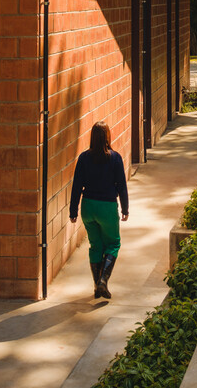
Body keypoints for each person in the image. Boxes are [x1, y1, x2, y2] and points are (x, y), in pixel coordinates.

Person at [69, 121, 129, 299]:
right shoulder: (115, 158)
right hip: (107, 207)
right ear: (107, 137)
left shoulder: (83, 158)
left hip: (89, 206)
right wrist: (125, 208)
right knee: (113, 244)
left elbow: (76, 187)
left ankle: (97, 286)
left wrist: (73, 211)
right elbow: (122, 186)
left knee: (95, 246)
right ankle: (103, 281)